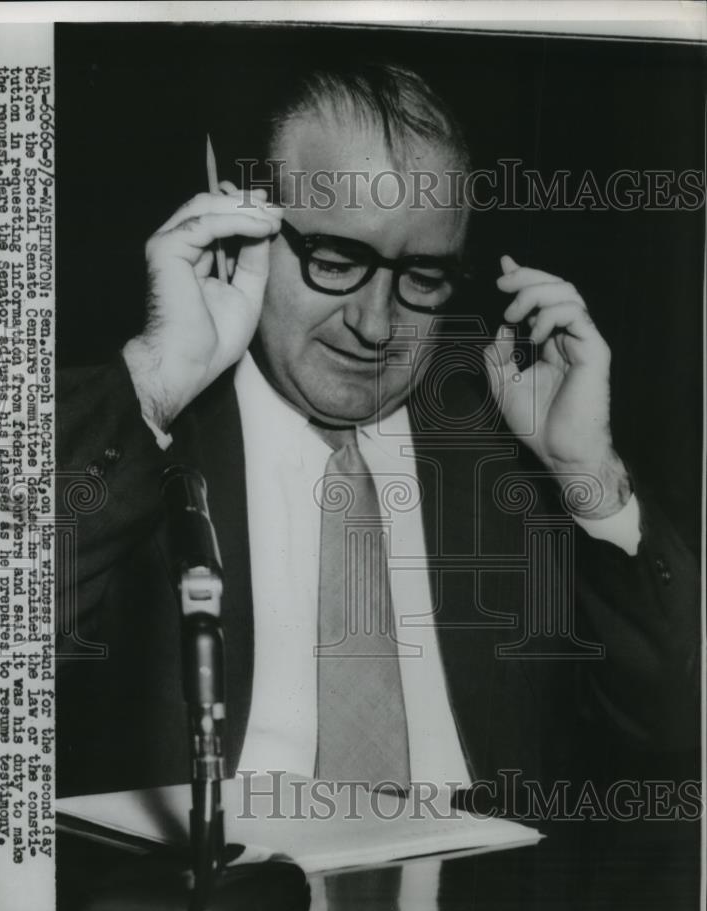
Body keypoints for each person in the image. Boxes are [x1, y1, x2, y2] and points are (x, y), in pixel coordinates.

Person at [56, 64, 698, 809]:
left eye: (421, 277)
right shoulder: (133, 440)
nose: (373, 324)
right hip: (211, 907)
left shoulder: (509, 457)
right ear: (241, 234)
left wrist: (587, 474)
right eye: (335, 261)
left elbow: (672, 721)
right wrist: (155, 383)